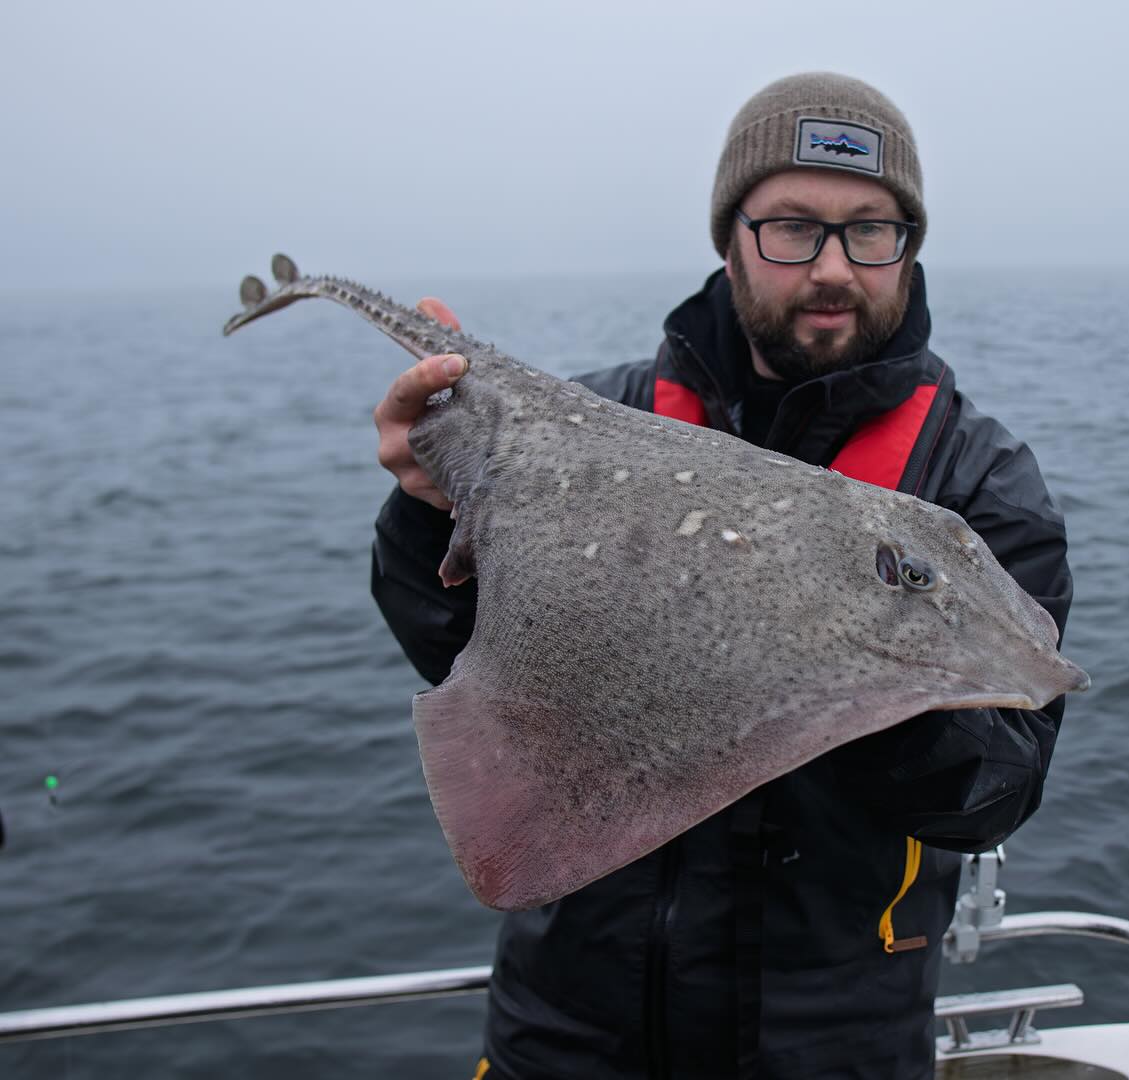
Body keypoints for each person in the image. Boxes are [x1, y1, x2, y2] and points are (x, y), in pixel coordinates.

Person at [370, 72, 1074, 1080]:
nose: (832, 266)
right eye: (791, 227)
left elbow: (1000, 785)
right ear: (730, 235)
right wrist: (431, 510)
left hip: (832, 1037)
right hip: (569, 1019)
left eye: (871, 230)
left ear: (909, 247)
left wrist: (861, 660)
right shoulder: (599, 426)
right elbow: (459, 648)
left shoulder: (974, 480)